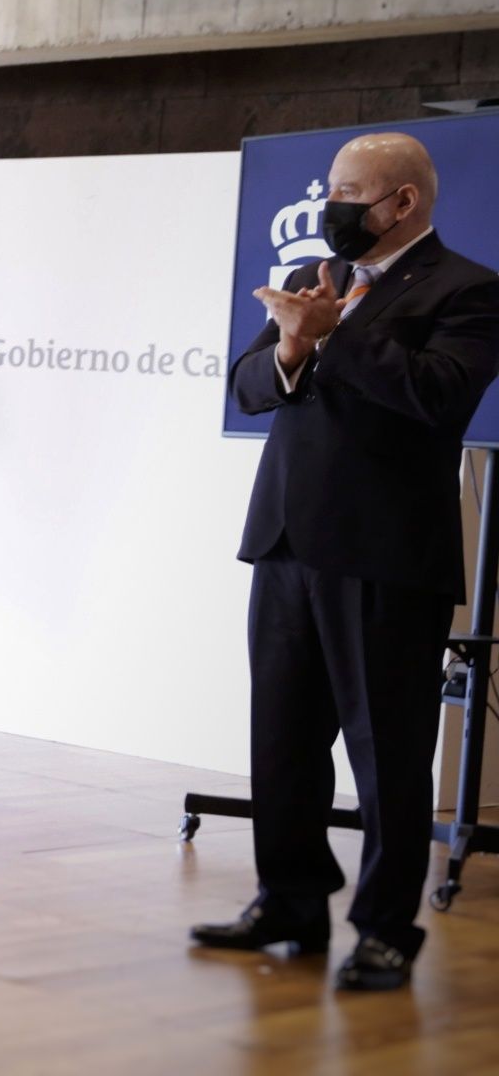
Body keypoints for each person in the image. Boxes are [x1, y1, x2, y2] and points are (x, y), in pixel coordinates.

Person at [194, 132, 499, 991]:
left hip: (385, 555)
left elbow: (438, 395)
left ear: (402, 203)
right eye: (331, 189)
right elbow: (248, 385)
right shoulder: (306, 283)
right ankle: (287, 899)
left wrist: (337, 338)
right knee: (283, 740)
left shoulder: (469, 289)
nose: (333, 206)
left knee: (386, 753)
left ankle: (384, 928)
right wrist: (294, 346)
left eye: (350, 192)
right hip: (286, 540)